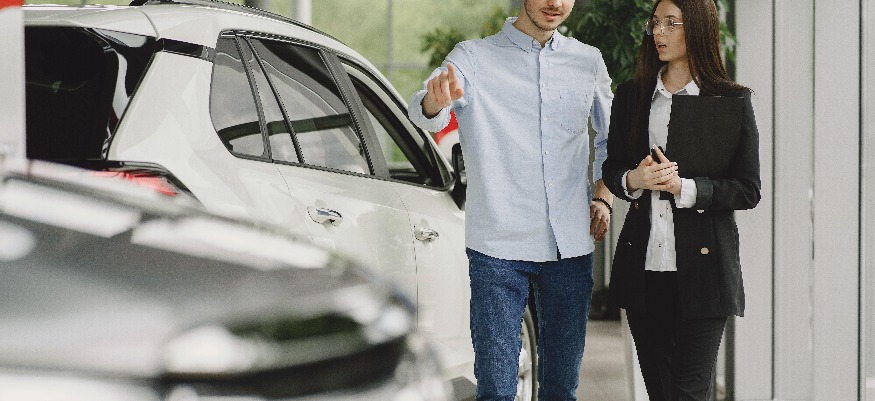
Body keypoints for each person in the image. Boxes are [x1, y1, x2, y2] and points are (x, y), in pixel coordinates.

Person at [406, 0, 613, 399]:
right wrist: (435, 100)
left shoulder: (588, 61)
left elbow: (612, 138)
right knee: (497, 390)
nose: (555, 3)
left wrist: (603, 196)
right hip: (498, 248)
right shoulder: (473, 57)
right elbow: (423, 109)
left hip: (570, 245)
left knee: (561, 390)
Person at [601, 0, 761, 400]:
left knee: (689, 393)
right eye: (655, 23)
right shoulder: (632, 96)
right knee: (661, 392)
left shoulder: (730, 100)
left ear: (699, 29)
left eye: (671, 23)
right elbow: (612, 167)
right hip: (644, 270)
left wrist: (684, 188)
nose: (659, 32)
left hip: (705, 274)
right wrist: (633, 179)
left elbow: (747, 188)